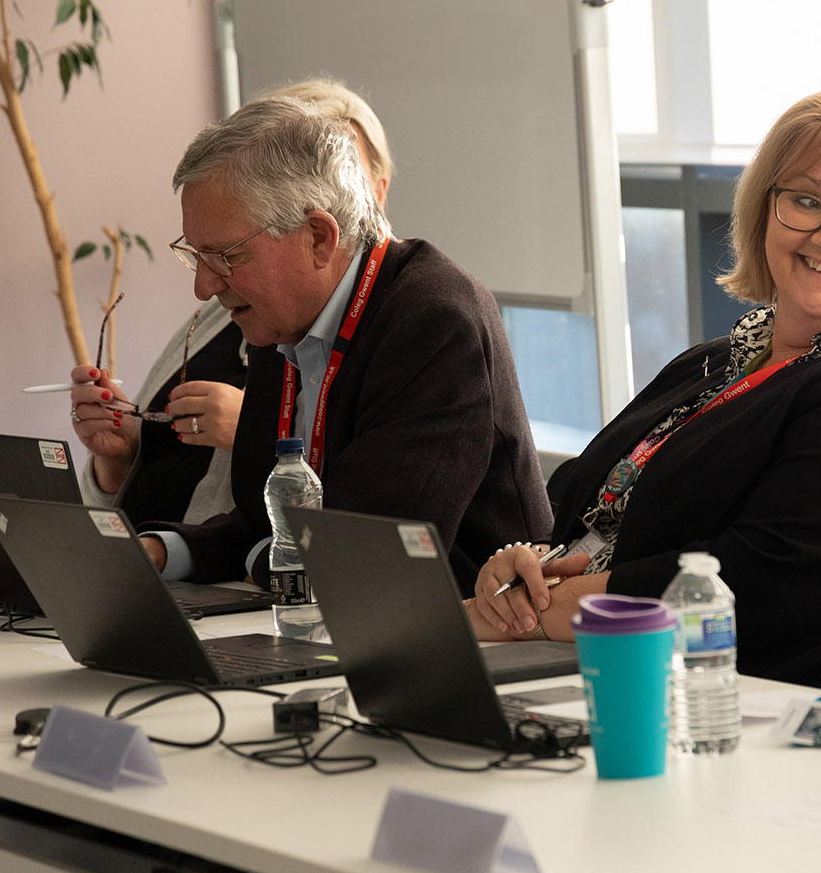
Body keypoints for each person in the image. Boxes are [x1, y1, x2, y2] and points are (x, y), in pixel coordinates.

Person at [470, 83, 821, 695]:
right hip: (593, 668)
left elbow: (766, 585)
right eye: (806, 201)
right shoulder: (716, 362)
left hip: (735, 706)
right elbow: (579, 504)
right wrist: (522, 566)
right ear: (764, 211)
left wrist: (542, 613)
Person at [68, 95, 550, 590]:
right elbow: (263, 523)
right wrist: (154, 552)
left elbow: (365, 552)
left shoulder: (434, 322)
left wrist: (261, 554)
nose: (204, 287)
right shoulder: (281, 319)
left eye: (225, 256)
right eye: (196, 255)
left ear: (319, 237)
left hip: (463, 623)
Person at [68, 79, 394, 527]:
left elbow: (357, 528)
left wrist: (258, 433)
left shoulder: (407, 324)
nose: (204, 286)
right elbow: (134, 495)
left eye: (227, 255)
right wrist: (118, 459)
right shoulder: (228, 315)